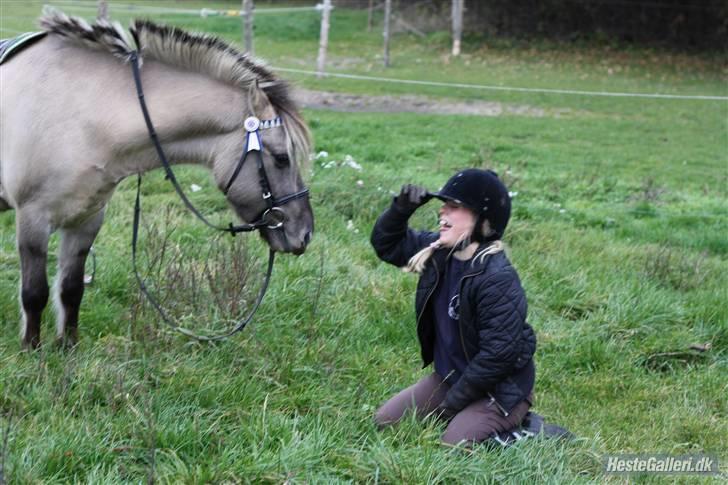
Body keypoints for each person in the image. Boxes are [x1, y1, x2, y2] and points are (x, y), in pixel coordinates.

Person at [370, 168, 537, 446]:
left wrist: (451, 406)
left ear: (483, 221)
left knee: (455, 443)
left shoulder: (497, 278)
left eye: (454, 207)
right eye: (443, 205)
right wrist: (400, 210)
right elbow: (387, 245)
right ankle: (468, 416)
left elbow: (497, 357)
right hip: (452, 377)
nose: (442, 212)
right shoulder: (438, 252)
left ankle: (531, 431)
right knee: (385, 421)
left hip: (499, 389)